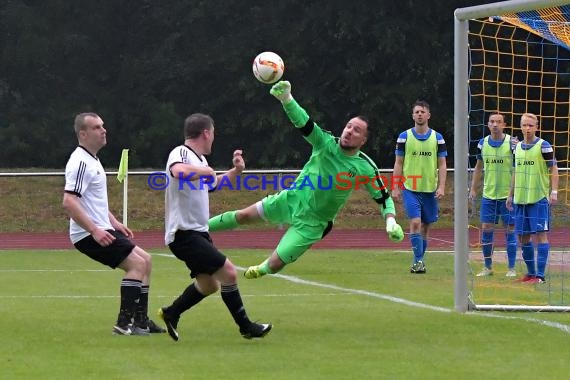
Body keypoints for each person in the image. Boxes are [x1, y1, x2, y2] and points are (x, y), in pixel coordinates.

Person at [208, 81, 404, 279]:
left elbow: (383, 198)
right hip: (290, 200)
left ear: (363, 141)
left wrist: (390, 221)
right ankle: (199, 230)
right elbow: (304, 122)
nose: (349, 131)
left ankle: (263, 268)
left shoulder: (365, 167)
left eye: (356, 130)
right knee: (242, 216)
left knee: (275, 264)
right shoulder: (325, 143)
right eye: (348, 126)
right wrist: (287, 99)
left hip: (314, 223)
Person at [158, 113, 272, 341]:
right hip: (184, 234)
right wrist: (206, 171)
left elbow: (212, 184)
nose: (213, 140)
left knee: (209, 285)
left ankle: (171, 313)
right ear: (206, 133)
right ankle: (246, 327)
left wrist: (235, 171)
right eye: (213, 135)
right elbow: (178, 171)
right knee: (229, 273)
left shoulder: (200, 161)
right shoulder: (181, 152)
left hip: (197, 234)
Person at [62, 112, 165, 335]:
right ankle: (123, 323)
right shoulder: (80, 162)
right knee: (136, 265)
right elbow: (69, 201)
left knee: (146, 260)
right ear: (83, 133)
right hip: (87, 234)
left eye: (103, 126)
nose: (103, 130)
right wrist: (94, 230)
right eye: (97, 127)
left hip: (102, 228)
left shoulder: (92, 159)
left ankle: (140, 321)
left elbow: (92, 201)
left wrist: (114, 222)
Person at [391, 100, 447, 274]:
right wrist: (395, 186)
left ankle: (420, 260)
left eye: (423, 112)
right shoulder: (404, 137)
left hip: (429, 189)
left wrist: (441, 187)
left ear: (428, 115)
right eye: (417, 112)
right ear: (412, 115)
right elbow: (398, 163)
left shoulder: (437, 138)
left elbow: (443, 164)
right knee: (415, 222)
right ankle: (418, 261)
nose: (420, 114)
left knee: (425, 227)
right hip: (410, 188)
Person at [506, 113, 558, 284]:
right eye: (524, 125)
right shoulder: (517, 147)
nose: (527, 128)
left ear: (536, 127)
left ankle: (541, 276)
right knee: (522, 237)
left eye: (530, 125)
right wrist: (510, 194)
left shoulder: (544, 146)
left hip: (538, 199)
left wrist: (554, 191)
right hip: (520, 200)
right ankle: (531, 273)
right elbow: (515, 171)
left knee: (541, 236)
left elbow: (554, 168)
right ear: (520, 126)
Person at [468, 113, 517, 277]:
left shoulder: (512, 143)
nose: (495, 124)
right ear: (488, 125)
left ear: (504, 125)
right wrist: (473, 188)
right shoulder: (483, 143)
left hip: (508, 196)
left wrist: (513, 192)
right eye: (492, 122)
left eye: (498, 122)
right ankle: (488, 267)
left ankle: (511, 268)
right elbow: (478, 167)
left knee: (510, 229)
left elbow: (517, 169)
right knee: (486, 229)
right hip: (489, 195)